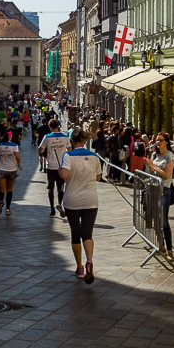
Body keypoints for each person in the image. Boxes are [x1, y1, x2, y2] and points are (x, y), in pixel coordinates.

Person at [59, 128, 103, 283]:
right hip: (91, 199)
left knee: (75, 233)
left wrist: (59, 170)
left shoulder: (68, 156)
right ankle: (89, 260)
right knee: (88, 233)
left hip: (72, 199)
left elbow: (64, 175)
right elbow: (98, 177)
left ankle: (79, 267)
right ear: (85, 141)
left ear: (72, 141)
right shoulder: (94, 156)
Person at [144, 134, 174, 265]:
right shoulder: (154, 155)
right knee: (156, 220)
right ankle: (160, 245)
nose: (158, 142)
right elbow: (151, 173)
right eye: (157, 140)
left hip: (164, 191)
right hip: (153, 190)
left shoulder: (170, 156)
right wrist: (150, 167)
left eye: (161, 140)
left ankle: (169, 250)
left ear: (167, 142)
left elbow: (167, 175)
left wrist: (154, 167)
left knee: (164, 221)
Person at [39, 119, 71, 218]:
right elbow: (70, 150)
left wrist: (40, 151)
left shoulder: (47, 137)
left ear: (50, 127)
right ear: (58, 126)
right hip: (61, 165)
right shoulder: (65, 137)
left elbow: (41, 149)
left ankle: (52, 209)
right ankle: (60, 204)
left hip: (50, 165)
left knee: (50, 187)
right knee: (60, 187)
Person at [0, 127, 21, 216]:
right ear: (10, 136)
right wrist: (19, 164)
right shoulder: (14, 145)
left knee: (1, 189)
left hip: (1, 169)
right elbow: (17, 157)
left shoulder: (0, 145)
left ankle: (0, 201)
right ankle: (8, 209)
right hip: (12, 169)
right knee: (9, 189)